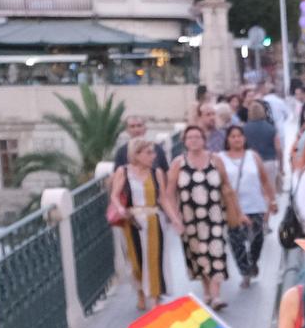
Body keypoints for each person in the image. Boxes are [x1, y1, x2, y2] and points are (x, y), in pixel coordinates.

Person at [163, 124, 243, 310]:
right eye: (190, 138)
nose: (194, 141)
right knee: (198, 256)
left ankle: (216, 296)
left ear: (204, 140)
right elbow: (169, 193)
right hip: (190, 219)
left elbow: (227, 187)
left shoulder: (215, 160)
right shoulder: (178, 163)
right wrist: (175, 218)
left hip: (214, 216)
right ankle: (206, 290)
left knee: (216, 253)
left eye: (197, 137)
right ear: (184, 141)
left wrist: (237, 212)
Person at [110, 136, 168, 311]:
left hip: (153, 218)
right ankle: (141, 292)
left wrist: (175, 218)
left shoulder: (155, 172)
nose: (153, 156)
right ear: (137, 154)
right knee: (135, 259)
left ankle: (155, 298)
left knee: (154, 259)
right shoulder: (123, 171)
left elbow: (163, 198)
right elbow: (114, 194)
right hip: (132, 220)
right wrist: (120, 208)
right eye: (149, 153)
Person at [217, 124, 272, 287]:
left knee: (257, 239)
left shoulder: (252, 156)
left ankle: (253, 261)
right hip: (233, 208)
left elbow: (264, 179)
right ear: (227, 139)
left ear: (244, 138)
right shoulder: (220, 158)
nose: (236, 139)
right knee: (237, 242)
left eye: (239, 136)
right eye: (233, 136)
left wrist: (272, 200)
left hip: (255, 205)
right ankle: (245, 272)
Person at [241, 99, 282, 183]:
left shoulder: (244, 129)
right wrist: (281, 166)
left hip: (251, 163)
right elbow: (278, 148)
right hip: (269, 162)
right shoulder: (271, 128)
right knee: (270, 189)